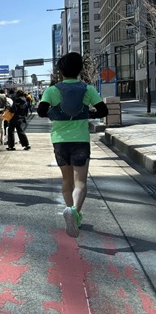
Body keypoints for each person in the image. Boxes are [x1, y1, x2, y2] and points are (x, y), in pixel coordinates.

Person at [37, 52, 108, 238]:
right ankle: (74, 212)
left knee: (66, 180)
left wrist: (57, 114)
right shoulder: (88, 89)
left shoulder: (52, 90)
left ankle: (71, 211)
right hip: (81, 140)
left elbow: (41, 111)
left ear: (61, 71)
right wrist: (87, 114)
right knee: (81, 182)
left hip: (60, 141)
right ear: (80, 70)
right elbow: (103, 110)